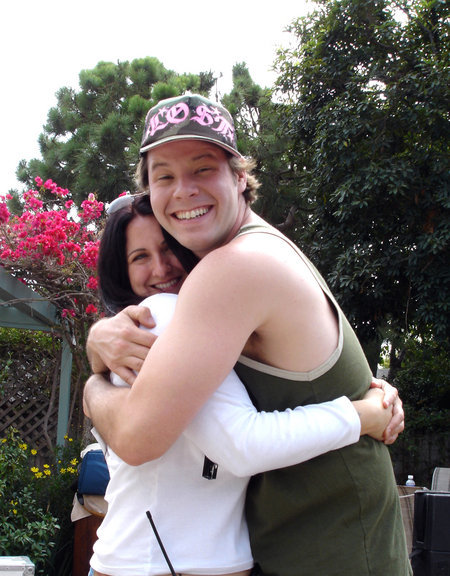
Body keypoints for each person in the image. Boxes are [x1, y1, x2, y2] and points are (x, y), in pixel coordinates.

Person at [84, 94, 411, 575]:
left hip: (329, 549)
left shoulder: (231, 269)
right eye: (165, 176)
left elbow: (136, 436)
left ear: (240, 176)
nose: (184, 191)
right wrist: (98, 341)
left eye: (203, 169)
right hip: (322, 542)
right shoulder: (262, 250)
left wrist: (92, 388)